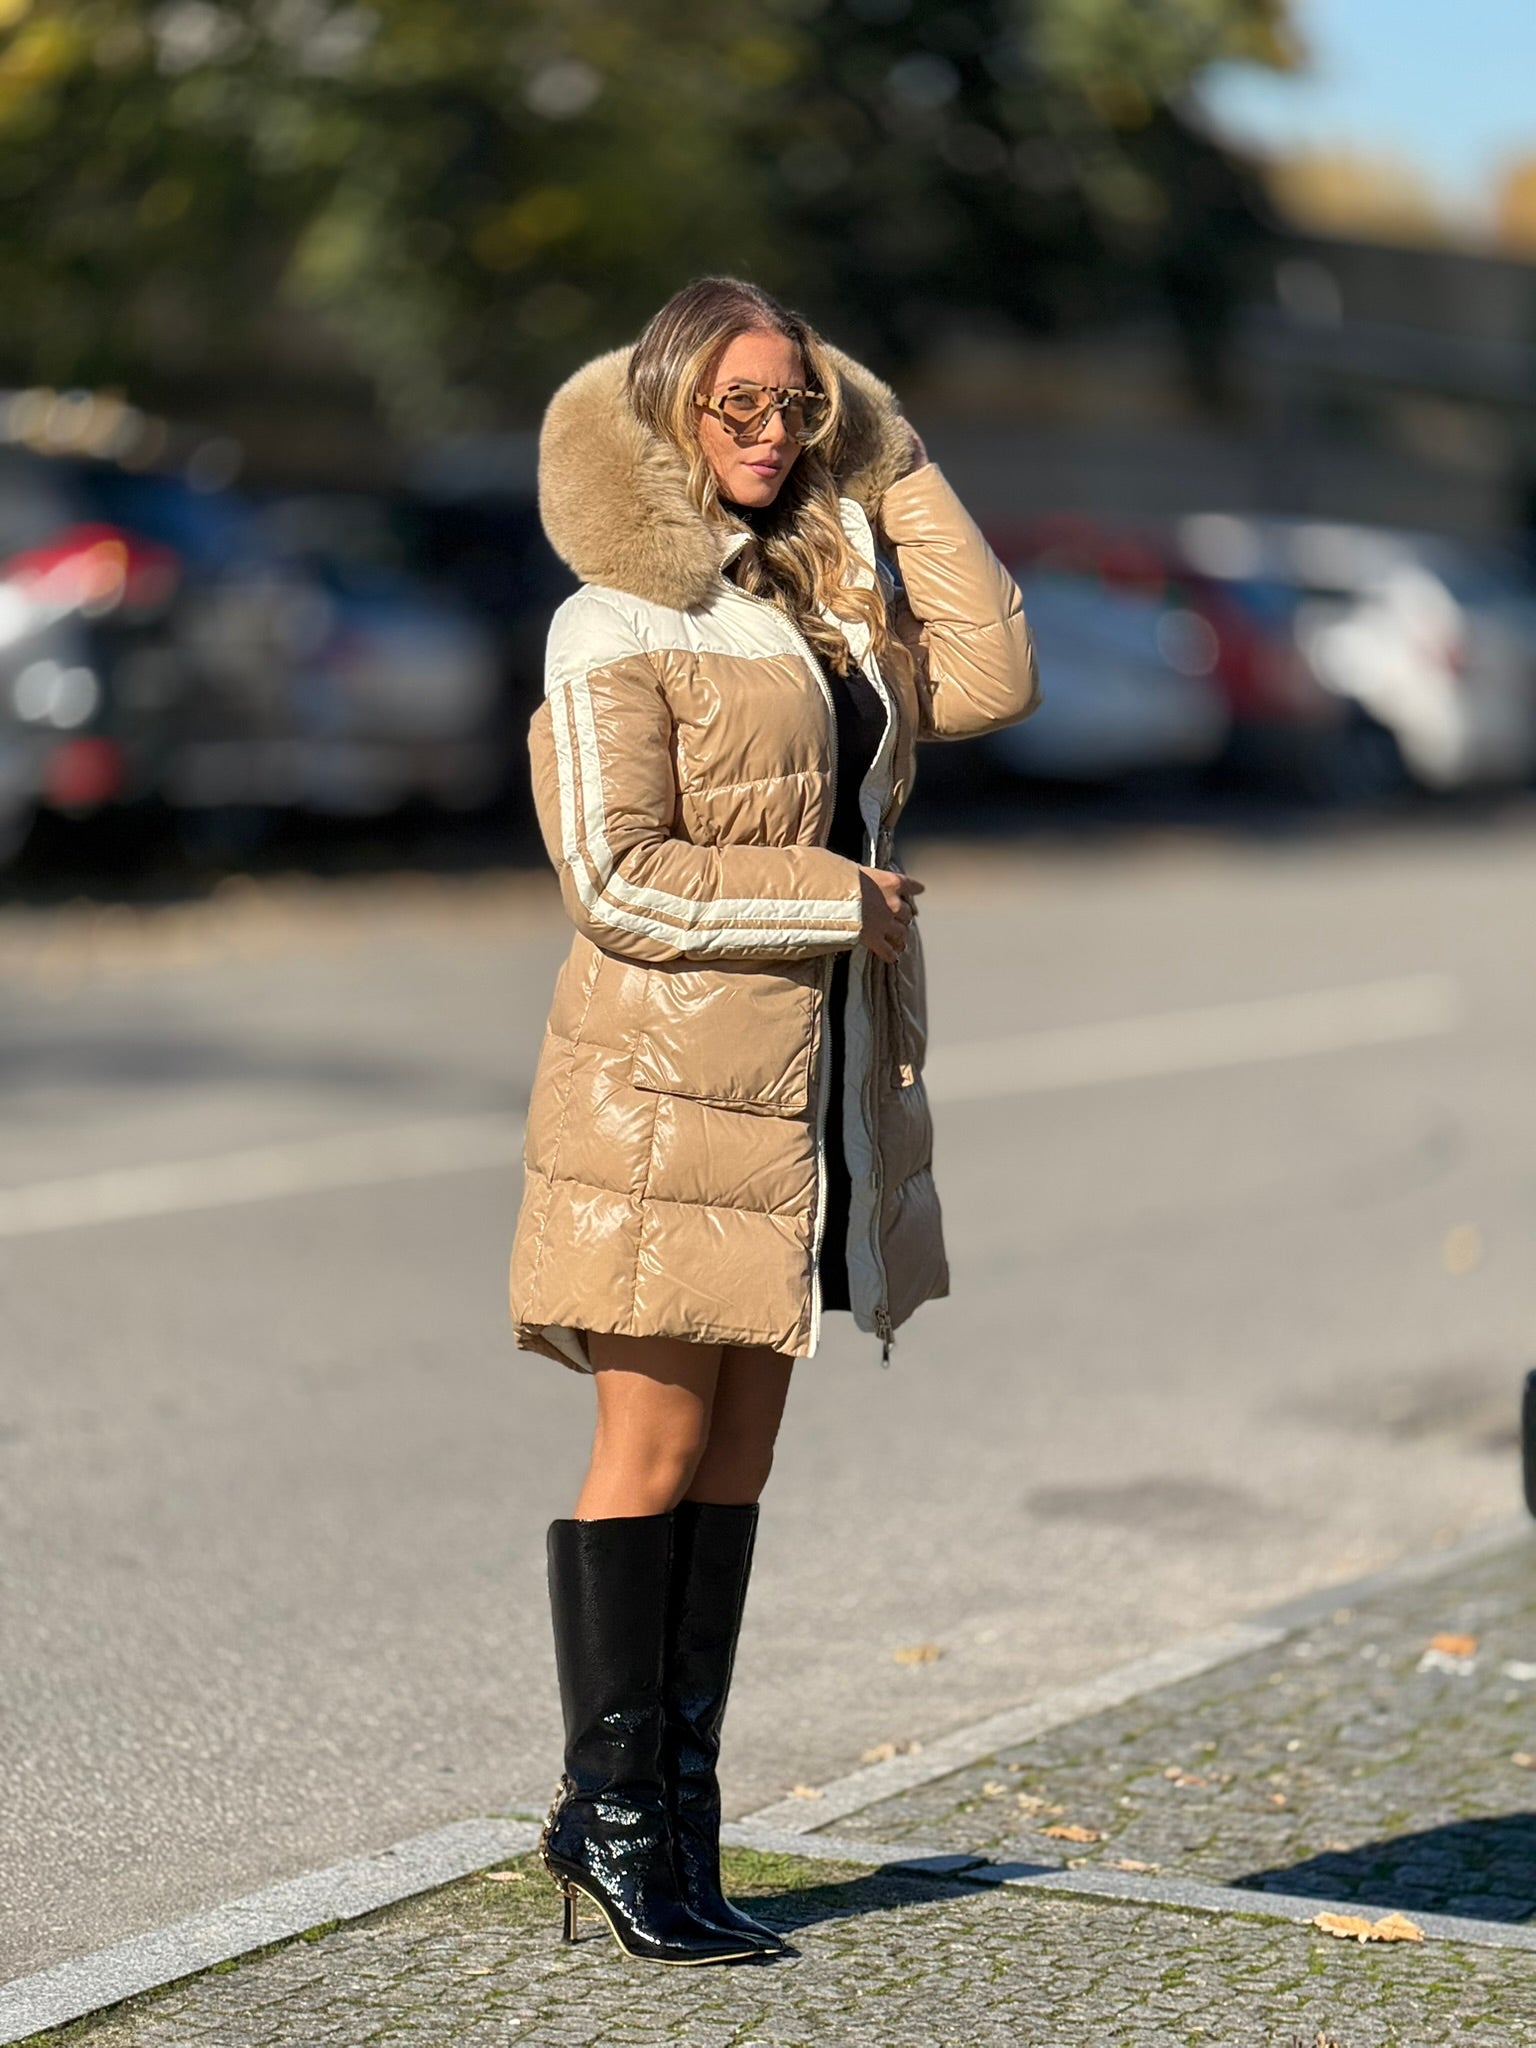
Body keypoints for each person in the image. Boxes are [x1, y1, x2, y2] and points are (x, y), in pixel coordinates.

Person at [510, 276, 1038, 1963]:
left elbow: (996, 674)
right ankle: (611, 1822)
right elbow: (614, 876)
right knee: (656, 1450)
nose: (768, 430)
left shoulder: (816, 604)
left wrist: (894, 457)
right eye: (736, 401)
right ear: (667, 408)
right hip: (665, 1096)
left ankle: (678, 1825)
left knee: (738, 1462)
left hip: (809, 1096)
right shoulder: (613, 619)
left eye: (797, 403)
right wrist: (831, 895)